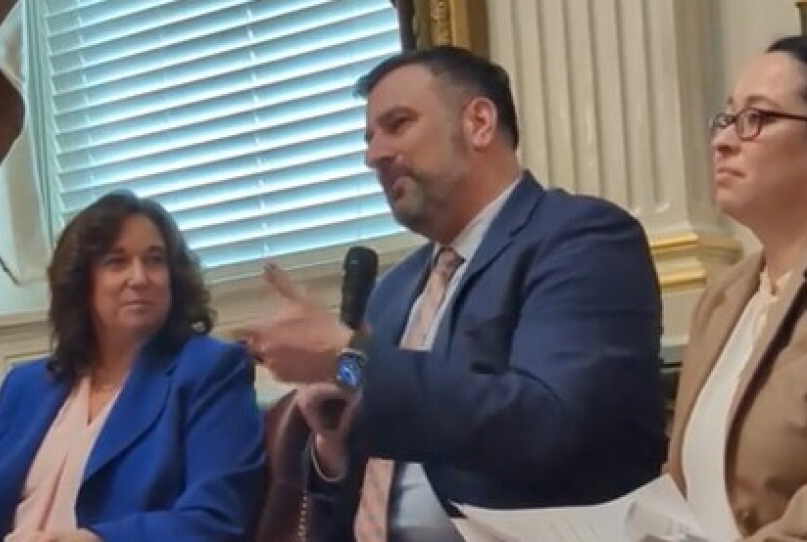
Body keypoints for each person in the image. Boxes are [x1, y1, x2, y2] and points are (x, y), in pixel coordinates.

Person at [235, 46, 666, 542]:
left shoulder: (580, 239)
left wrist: (343, 355)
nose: (373, 154)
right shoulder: (395, 289)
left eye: (397, 124)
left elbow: (551, 423)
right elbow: (362, 382)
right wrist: (335, 443)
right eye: (369, 138)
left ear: (479, 122)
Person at [0, 192, 265, 542]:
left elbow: (215, 520)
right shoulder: (26, 386)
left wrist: (95, 539)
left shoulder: (210, 370)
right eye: (116, 262)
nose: (140, 278)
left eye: (155, 260)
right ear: (80, 281)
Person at [667, 35, 807, 541]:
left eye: (758, 118)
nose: (723, 140)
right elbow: (681, 489)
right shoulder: (724, 297)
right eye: (726, 118)